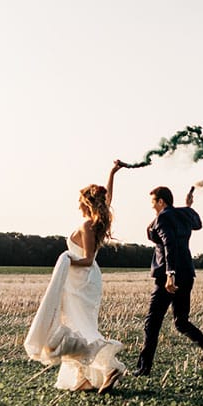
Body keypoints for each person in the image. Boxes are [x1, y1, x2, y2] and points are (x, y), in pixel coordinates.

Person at [24, 161, 126, 391]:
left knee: (81, 328)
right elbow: (107, 199)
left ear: (86, 203)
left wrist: (68, 259)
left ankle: (111, 367)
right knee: (77, 327)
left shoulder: (87, 226)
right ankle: (84, 377)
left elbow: (88, 258)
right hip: (82, 281)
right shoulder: (95, 222)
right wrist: (112, 173)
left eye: (81, 201)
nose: (78, 205)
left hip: (81, 279)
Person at [135, 184, 203, 377]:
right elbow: (197, 224)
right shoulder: (182, 214)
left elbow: (169, 243)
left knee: (153, 322)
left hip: (169, 276)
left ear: (161, 201)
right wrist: (188, 207)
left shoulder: (163, 217)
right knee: (181, 322)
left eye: (153, 202)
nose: (152, 207)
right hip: (187, 273)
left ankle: (144, 368)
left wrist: (170, 274)